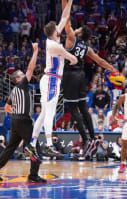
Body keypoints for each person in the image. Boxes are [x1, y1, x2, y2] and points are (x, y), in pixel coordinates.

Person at [61, 0, 118, 150]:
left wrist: (64, 2)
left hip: (70, 75)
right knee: (83, 107)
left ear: (79, 33)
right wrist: (112, 69)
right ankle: (93, 137)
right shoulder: (87, 48)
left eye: (78, 28)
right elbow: (100, 61)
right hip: (81, 76)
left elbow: (65, 19)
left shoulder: (71, 39)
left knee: (73, 109)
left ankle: (85, 139)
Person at [0, 43, 45, 183]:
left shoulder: (14, 91)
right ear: (18, 79)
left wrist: (16, 114)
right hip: (23, 120)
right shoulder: (22, 84)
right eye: (22, 74)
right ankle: (33, 175)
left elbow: (7, 107)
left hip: (16, 121)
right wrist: (36, 51)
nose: (25, 75)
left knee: (10, 148)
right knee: (34, 146)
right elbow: (31, 68)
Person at [28, 0, 77, 157]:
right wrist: (73, 59)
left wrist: (69, 2)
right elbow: (72, 58)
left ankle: (31, 144)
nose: (59, 29)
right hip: (51, 80)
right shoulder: (54, 45)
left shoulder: (53, 39)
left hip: (50, 79)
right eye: (58, 29)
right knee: (49, 113)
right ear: (54, 32)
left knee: (43, 115)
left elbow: (64, 17)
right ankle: (49, 144)